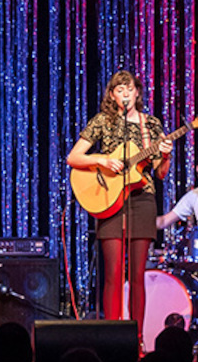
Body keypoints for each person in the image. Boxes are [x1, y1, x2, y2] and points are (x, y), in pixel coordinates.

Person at [66, 70, 172, 343]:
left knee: (137, 274)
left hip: (142, 198)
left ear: (137, 92)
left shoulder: (152, 125)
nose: (125, 94)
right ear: (112, 95)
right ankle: (112, 338)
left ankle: (135, 338)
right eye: (119, 90)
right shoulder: (103, 121)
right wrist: (101, 160)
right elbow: (74, 157)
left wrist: (167, 155)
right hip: (110, 198)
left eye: (129, 89)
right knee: (113, 272)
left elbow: (159, 174)